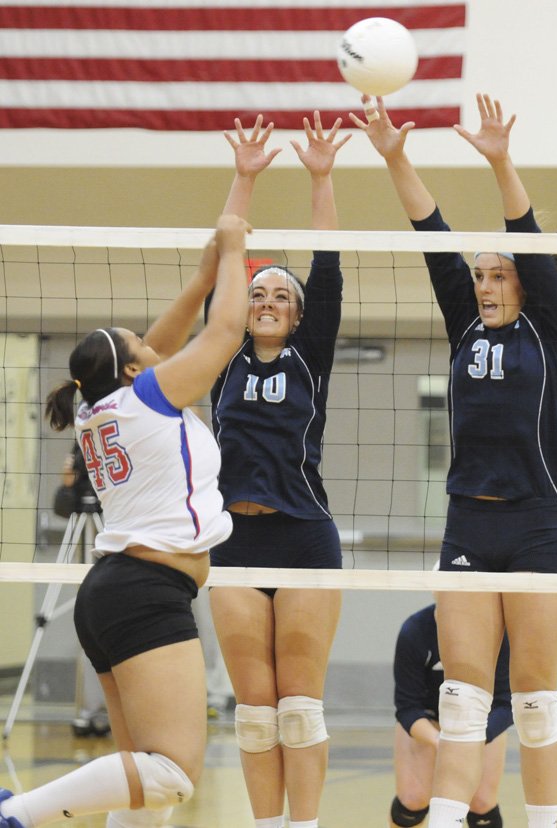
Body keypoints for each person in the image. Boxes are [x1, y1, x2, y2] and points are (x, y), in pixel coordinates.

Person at [350, 92, 557, 828]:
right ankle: (450, 821)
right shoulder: (464, 324)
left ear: (525, 282)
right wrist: (396, 157)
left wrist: (499, 160)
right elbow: (431, 235)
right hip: (467, 526)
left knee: (532, 698)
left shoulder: (550, 325)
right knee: (460, 696)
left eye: (499, 275)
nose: (485, 285)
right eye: (481, 276)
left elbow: (522, 231)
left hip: (539, 527)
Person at [0, 213, 250, 828]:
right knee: (171, 774)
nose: (153, 343)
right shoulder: (144, 399)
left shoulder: (101, 406)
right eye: (140, 344)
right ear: (136, 370)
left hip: (116, 590)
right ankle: (15, 812)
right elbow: (224, 329)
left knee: (141, 772)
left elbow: (170, 333)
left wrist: (210, 258)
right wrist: (239, 247)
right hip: (143, 592)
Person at [208, 112, 350, 828]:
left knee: (298, 707)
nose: (266, 301)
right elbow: (226, 257)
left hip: (303, 538)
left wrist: (321, 177)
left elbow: (327, 265)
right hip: (232, 540)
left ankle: (307, 825)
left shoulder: (309, 358)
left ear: (297, 317)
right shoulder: (221, 355)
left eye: (279, 297)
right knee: (256, 715)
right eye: (257, 294)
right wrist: (247, 175)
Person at [390, 602, 511, 828]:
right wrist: (440, 741)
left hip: (480, 720)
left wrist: (471, 739)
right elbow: (407, 707)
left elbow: (506, 703)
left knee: (482, 804)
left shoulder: (497, 631)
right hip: (428, 719)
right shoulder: (415, 630)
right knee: (412, 800)